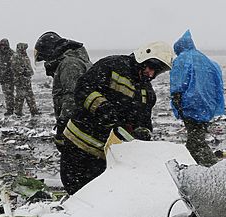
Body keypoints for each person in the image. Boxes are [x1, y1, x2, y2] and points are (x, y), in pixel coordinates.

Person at [57, 41, 174, 195]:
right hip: (78, 143)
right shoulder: (112, 66)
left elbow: (144, 120)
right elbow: (82, 89)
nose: (151, 74)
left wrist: (142, 132)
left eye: (156, 72)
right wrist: (101, 107)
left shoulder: (147, 94)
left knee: (93, 196)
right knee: (75, 190)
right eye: (151, 67)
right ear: (142, 58)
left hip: (104, 155)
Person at [170, 30, 225, 166]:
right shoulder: (206, 60)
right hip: (207, 106)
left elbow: (178, 84)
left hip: (190, 105)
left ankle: (211, 168)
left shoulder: (182, 59)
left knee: (195, 142)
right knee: (196, 138)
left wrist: (177, 102)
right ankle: (198, 166)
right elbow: (217, 83)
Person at [34, 31, 92, 149]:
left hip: (78, 126)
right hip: (82, 123)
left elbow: (72, 96)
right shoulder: (72, 61)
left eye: (45, 58)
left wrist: (63, 125)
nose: (46, 62)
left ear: (50, 53)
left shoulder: (69, 64)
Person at [11, 42, 40, 116]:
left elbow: (28, 66)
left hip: (26, 80)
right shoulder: (16, 56)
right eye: (23, 48)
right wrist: (24, 71)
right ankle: (18, 111)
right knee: (20, 96)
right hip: (20, 80)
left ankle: (34, 110)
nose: (25, 50)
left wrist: (29, 73)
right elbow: (16, 68)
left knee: (30, 96)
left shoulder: (24, 56)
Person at [0, 38, 15, 115]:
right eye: (1, 45)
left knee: (9, 94)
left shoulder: (11, 54)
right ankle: (10, 108)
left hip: (9, 78)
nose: (2, 47)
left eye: (3, 45)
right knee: (7, 95)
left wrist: (7, 71)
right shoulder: (0, 54)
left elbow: (14, 66)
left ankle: (10, 109)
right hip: (2, 78)